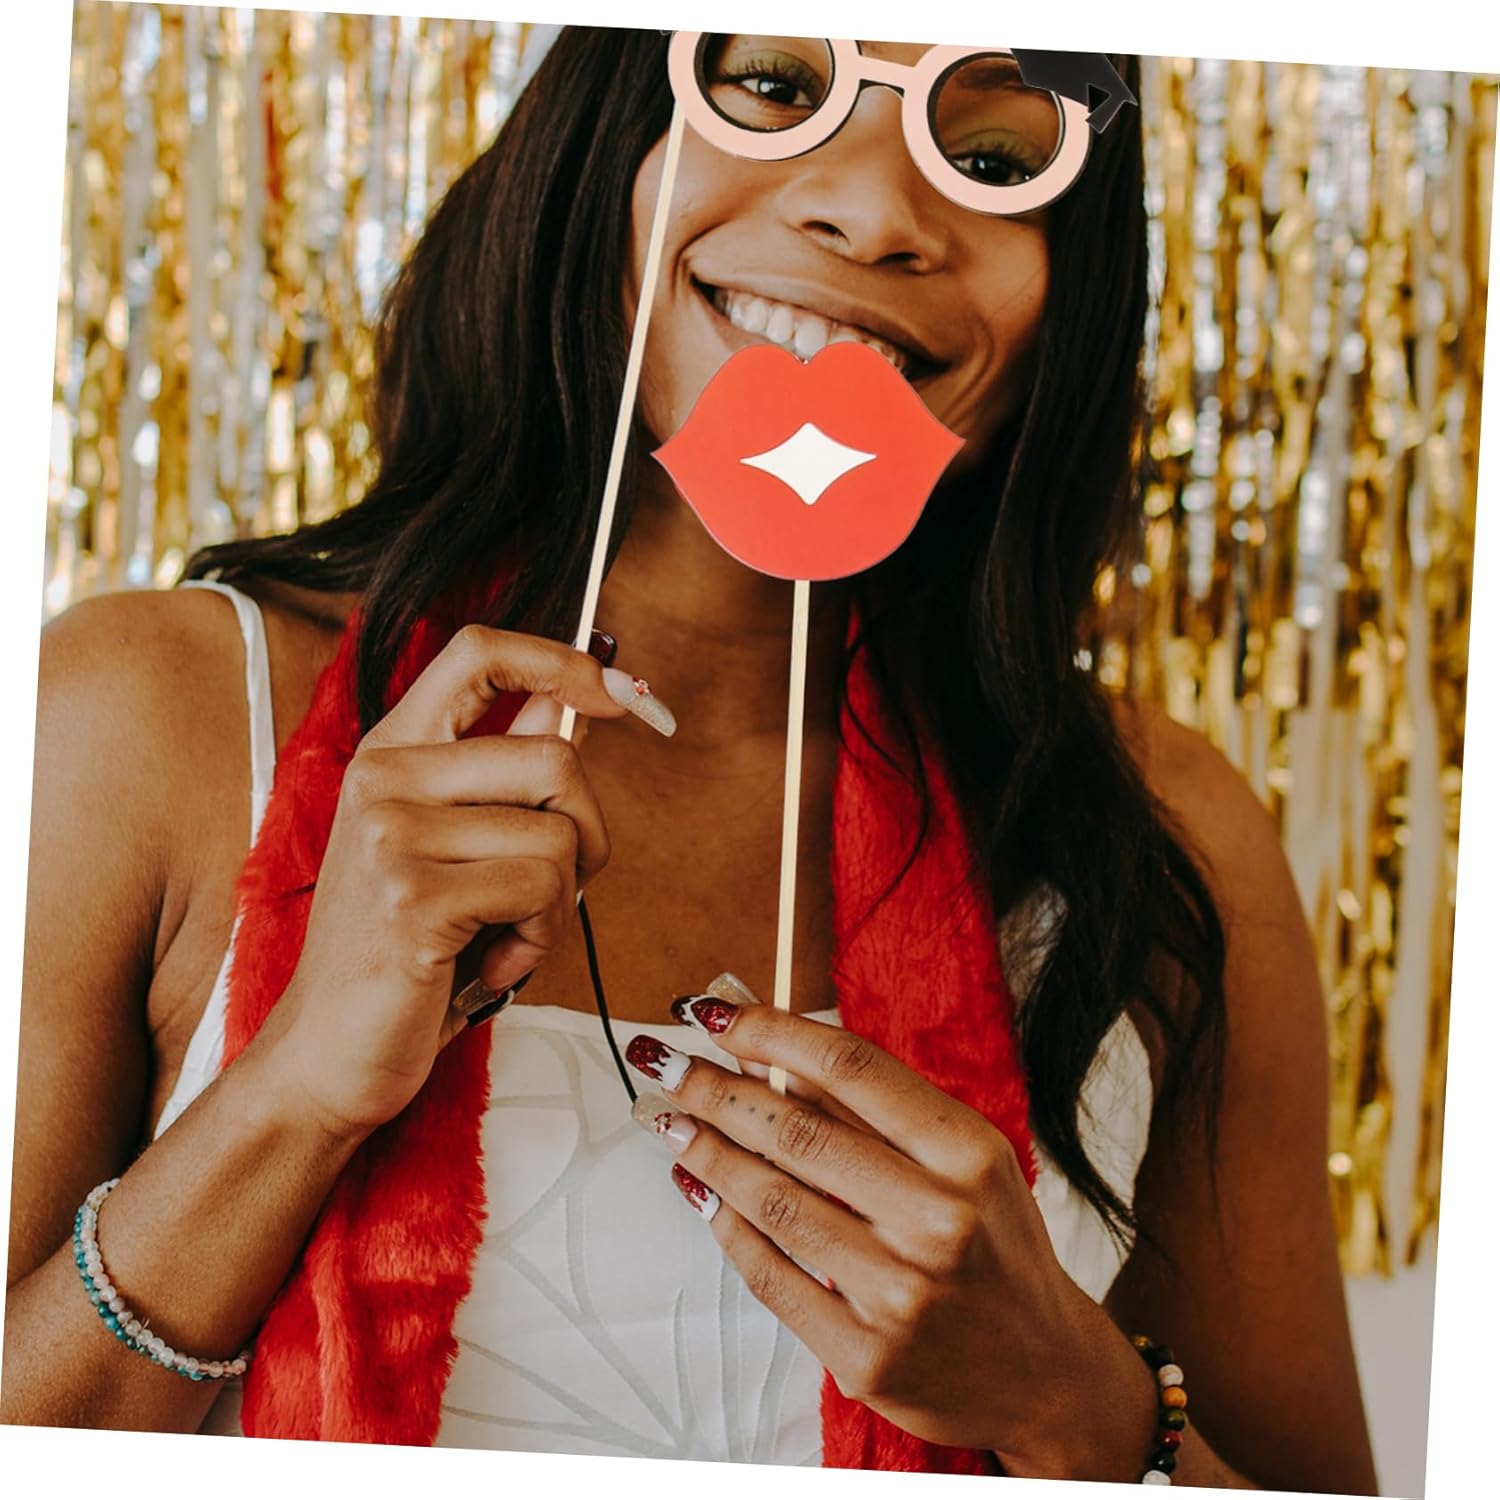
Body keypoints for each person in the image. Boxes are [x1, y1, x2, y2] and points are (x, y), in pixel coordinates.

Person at [4, 27, 1379, 1492]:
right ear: (604, 144)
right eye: (778, 87)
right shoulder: (146, 710)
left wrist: (1075, 1400)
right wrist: (294, 1088)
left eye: (989, 156)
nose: (875, 211)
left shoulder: (1162, 832)